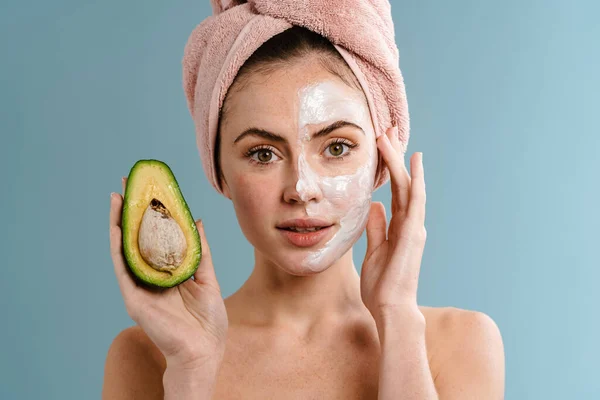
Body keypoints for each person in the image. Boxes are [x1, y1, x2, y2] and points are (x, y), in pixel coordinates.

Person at [104, 24, 504, 400]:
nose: (301, 189)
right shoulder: (149, 355)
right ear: (219, 172)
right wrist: (191, 372)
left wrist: (397, 319)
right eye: (263, 154)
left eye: (337, 147)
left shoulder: (461, 343)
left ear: (383, 162)